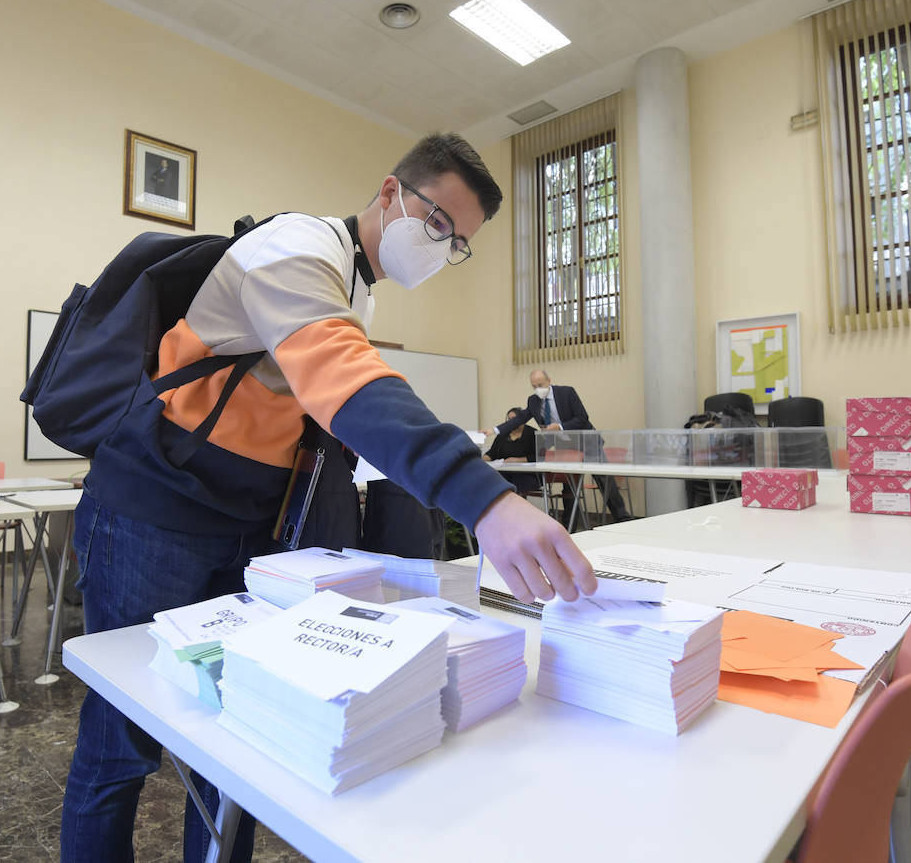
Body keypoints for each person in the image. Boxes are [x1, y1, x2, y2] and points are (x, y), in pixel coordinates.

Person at [61, 133, 598, 863]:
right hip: (152, 509)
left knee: (241, 735)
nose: (440, 246)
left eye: (458, 242)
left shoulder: (357, 291)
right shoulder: (295, 249)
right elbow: (346, 382)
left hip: (246, 525)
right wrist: (488, 500)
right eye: (436, 222)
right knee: (119, 741)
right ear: (388, 194)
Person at [487, 369, 634, 525]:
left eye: (541, 384)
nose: (538, 389)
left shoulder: (567, 393)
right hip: (564, 444)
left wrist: (560, 426)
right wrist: (495, 430)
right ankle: (568, 524)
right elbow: (520, 418)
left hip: (586, 440)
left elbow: (582, 417)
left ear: (549, 380)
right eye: (534, 386)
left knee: (603, 477)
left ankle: (621, 517)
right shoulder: (533, 400)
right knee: (570, 483)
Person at [484, 407, 538, 494]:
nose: (510, 422)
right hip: (505, 472)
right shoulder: (503, 434)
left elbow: (540, 456)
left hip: (527, 474)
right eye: (509, 419)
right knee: (492, 480)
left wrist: (520, 460)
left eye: (513, 419)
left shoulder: (532, 433)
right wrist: (484, 459)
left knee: (514, 483)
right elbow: (492, 453)